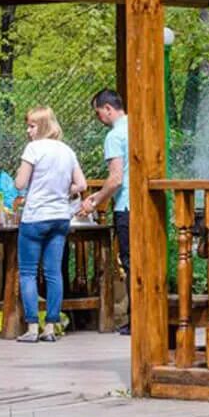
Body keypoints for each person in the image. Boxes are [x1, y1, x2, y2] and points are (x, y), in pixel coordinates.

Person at [14, 105, 87, 342]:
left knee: (27, 273)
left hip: (35, 218)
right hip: (60, 218)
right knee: (53, 272)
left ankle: (33, 327)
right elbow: (82, 185)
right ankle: (51, 327)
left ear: (43, 126)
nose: (28, 131)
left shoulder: (33, 149)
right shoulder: (67, 151)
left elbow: (20, 184)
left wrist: (21, 175)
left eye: (32, 126)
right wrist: (63, 189)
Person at [82, 89, 129, 334]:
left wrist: (95, 200)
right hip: (144, 206)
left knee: (130, 262)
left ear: (108, 109)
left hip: (126, 206)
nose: (99, 118)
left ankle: (136, 319)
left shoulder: (114, 136)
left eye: (98, 113)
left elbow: (115, 179)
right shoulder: (136, 126)